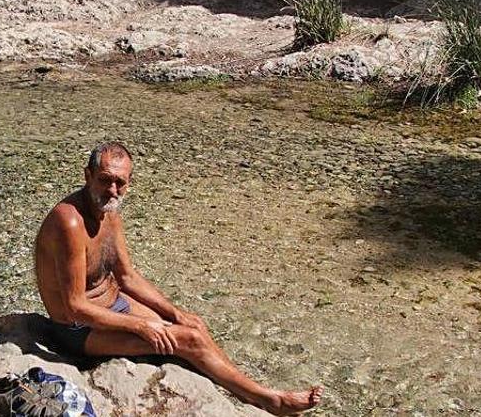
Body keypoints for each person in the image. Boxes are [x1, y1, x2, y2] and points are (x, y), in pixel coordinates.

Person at [34, 142, 323, 415]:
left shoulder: (110, 213)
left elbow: (127, 276)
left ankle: (243, 388)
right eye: (105, 180)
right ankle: (269, 399)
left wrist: (175, 312)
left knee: (192, 324)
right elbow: (75, 306)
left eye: (120, 183)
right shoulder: (69, 221)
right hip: (77, 330)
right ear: (88, 175)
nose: (112, 190)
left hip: (114, 304)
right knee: (188, 340)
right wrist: (141, 325)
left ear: (129, 183)